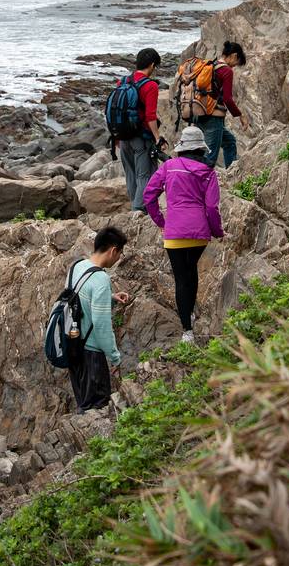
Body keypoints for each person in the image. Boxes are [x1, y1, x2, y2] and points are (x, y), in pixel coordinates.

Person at [143, 126, 223, 343]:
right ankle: (191, 310)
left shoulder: (169, 166)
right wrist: (217, 231)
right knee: (191, 270)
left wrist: (161, 221)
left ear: (182, 148)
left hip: (175, 232)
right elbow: (212, 208)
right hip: (199, 234)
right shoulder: (208, 172)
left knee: (180, 277)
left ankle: (187, 330)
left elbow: (148, 196)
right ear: (201, 149)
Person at [67, 226, 128, 412]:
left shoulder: (77, 266)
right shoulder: (101, 278)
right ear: (113, 250)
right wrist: (115, 357)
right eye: (120, 253)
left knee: (83, 403)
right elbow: (101, 325)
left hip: (73, 347)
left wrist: (109, 298)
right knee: (96, 409)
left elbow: (75, 300)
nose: (118, 259)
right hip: (91, 355)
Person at [119, 47, 164, 212]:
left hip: (123, 137)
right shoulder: (150, 86)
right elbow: (150, 116)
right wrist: (158, 138)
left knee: (130, 175)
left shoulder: (124, 81)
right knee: (145, 175)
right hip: (141, 138)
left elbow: (117, 110)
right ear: (152, 65)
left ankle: (134, 207)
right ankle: (139, 212)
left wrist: (116, 138)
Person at [195, 41, 248, 169]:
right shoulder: (226, 71)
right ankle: (200, 185)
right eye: (237, 63)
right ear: (234, 56)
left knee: (229, 142)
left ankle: (231, 174)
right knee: (210, 157)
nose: (234, 67)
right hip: (213, 117)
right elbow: (228, 99)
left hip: (199, 113)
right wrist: (240, 115)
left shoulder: (212, 65)